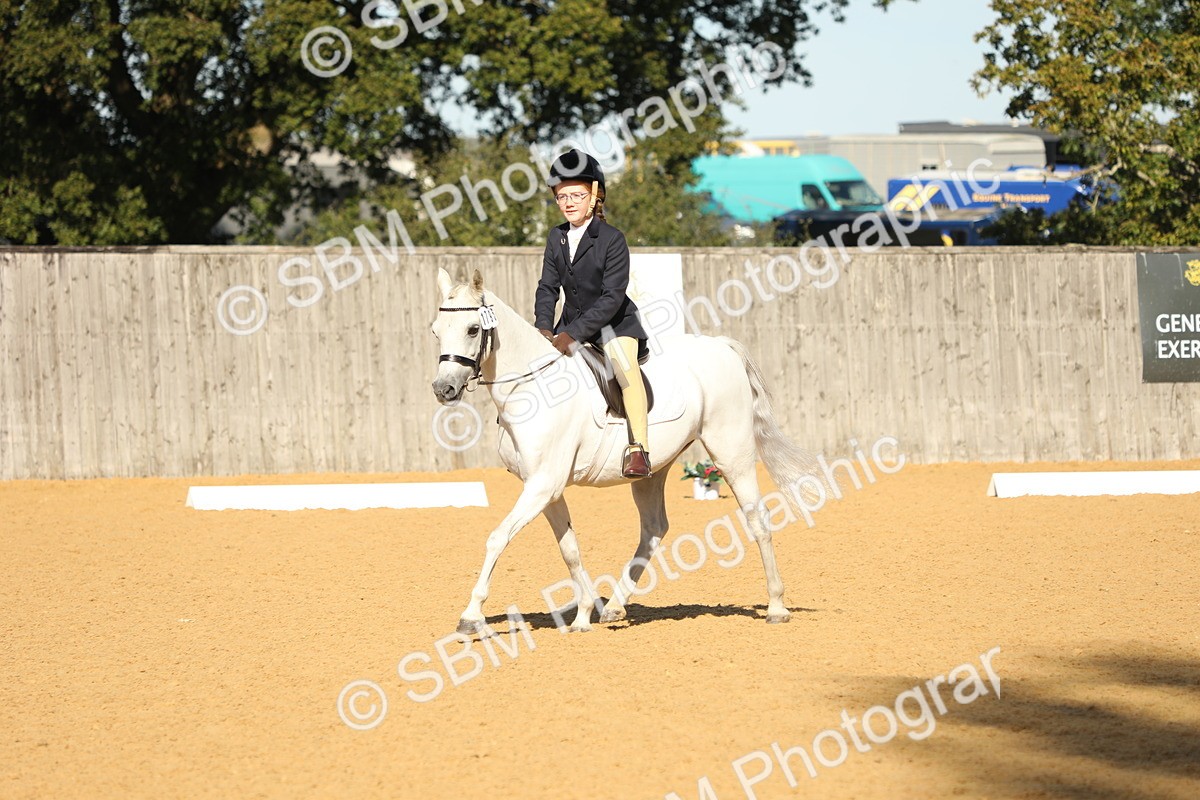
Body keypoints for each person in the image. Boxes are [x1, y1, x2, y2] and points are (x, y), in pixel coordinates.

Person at [534, 149, 652, 478]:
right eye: (562, 196)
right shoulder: (555, 237)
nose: (569, 202)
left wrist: (574, 334)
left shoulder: (612, 239)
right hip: (568, 325)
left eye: (577, 195)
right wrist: (544, 328)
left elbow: (612, 297)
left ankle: (638, 448)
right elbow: (547, 287)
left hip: (614, 326)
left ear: (595, 195)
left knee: (625, 370)